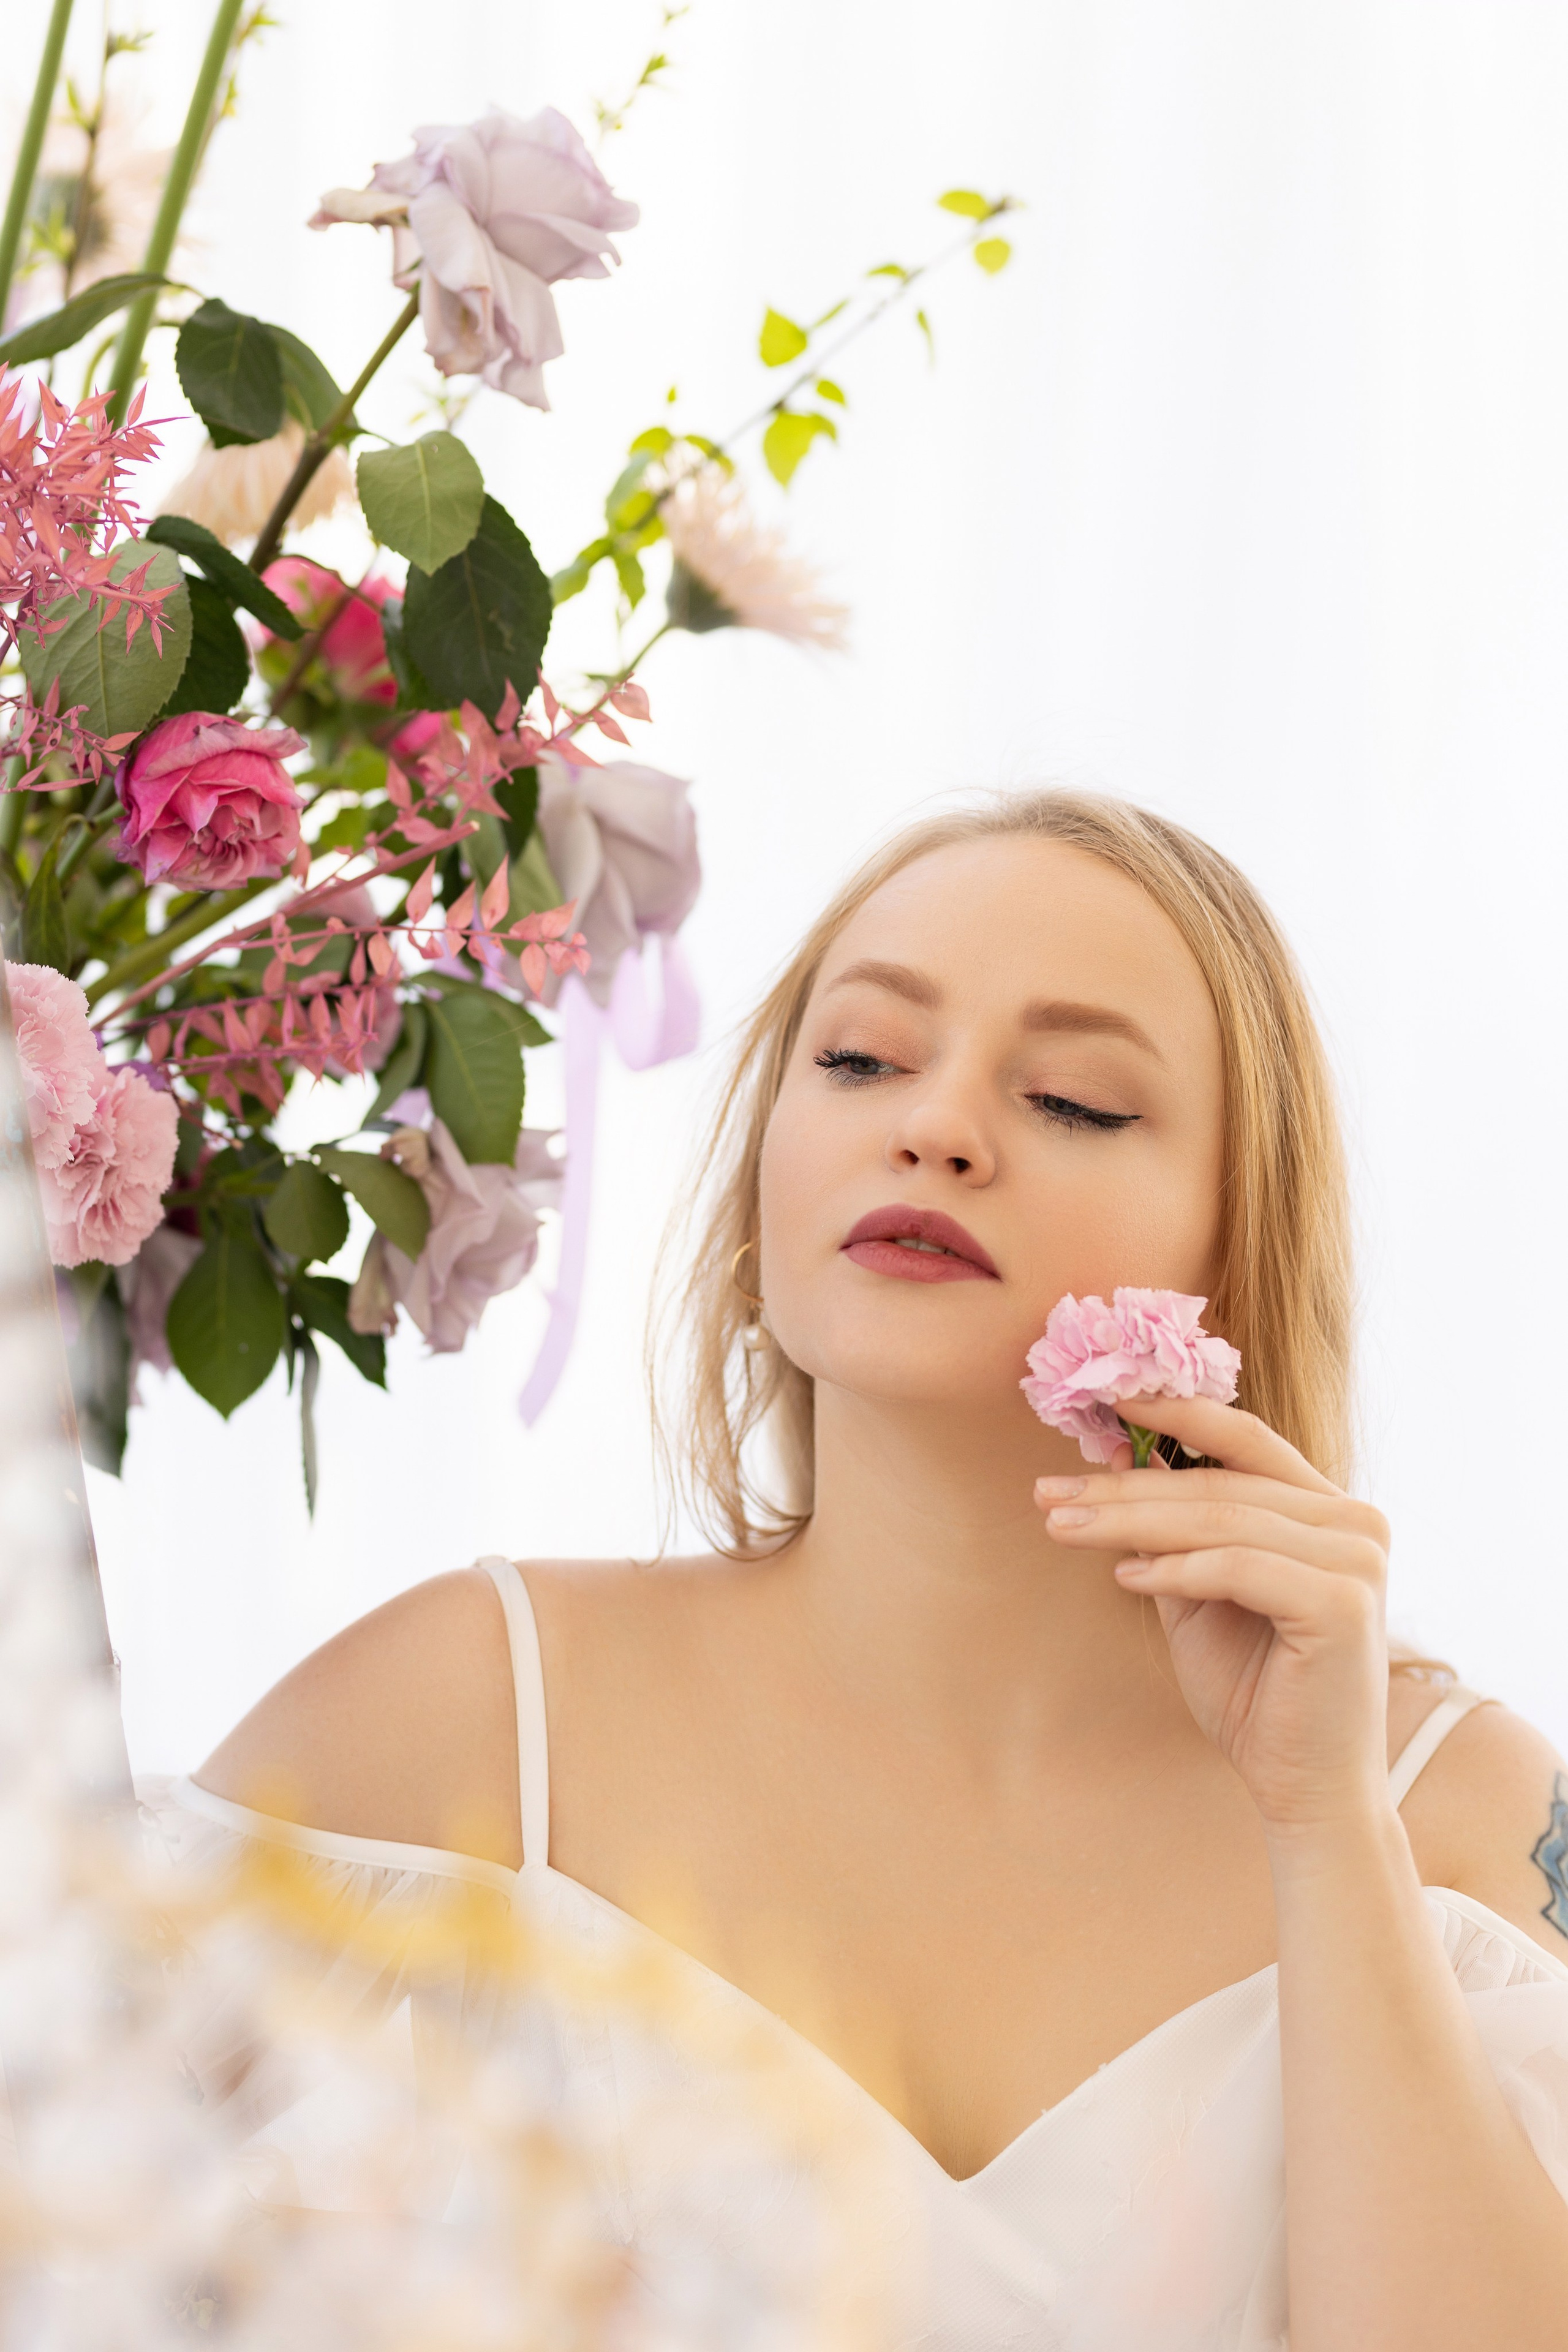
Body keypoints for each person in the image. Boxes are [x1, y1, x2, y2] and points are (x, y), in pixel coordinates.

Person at [162, 791, 1568, 2348]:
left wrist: (1324, 1828)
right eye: (859, 1061)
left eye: (1074, 1101)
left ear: (1231, 1249)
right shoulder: (467, 1711)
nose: (935, 1126)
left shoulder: (1462, 1818)